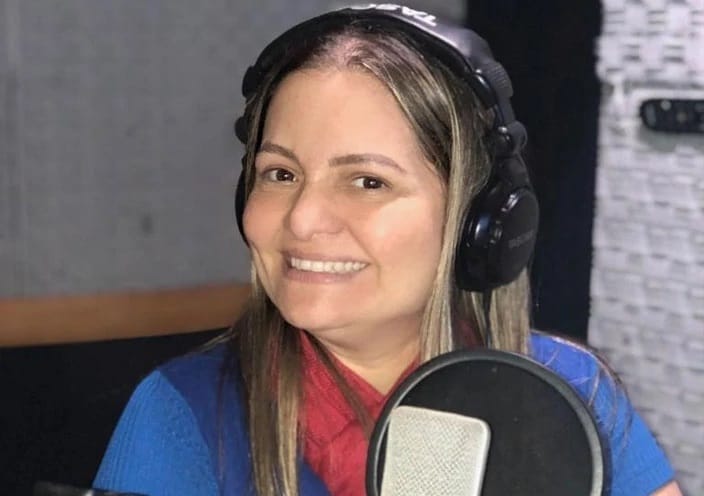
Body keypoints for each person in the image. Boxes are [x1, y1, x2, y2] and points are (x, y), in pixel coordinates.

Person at [93, 5, 682, 496]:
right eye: (280, 174)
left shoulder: (575, 392)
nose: (303, 218)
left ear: (477, 220)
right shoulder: (183, 414)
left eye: (368, 181)